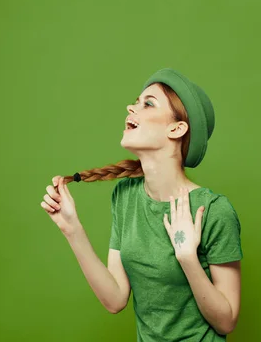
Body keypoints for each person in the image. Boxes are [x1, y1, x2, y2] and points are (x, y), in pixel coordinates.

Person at [41, 68, 243, 341]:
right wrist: (72, 229)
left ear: (177, 128)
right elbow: (115, 299)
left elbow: (226, 322)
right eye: (136, 101)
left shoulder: (214, 211)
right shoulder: (125, 196)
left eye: (147, 103)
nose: (131, 107)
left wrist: (187, 258)